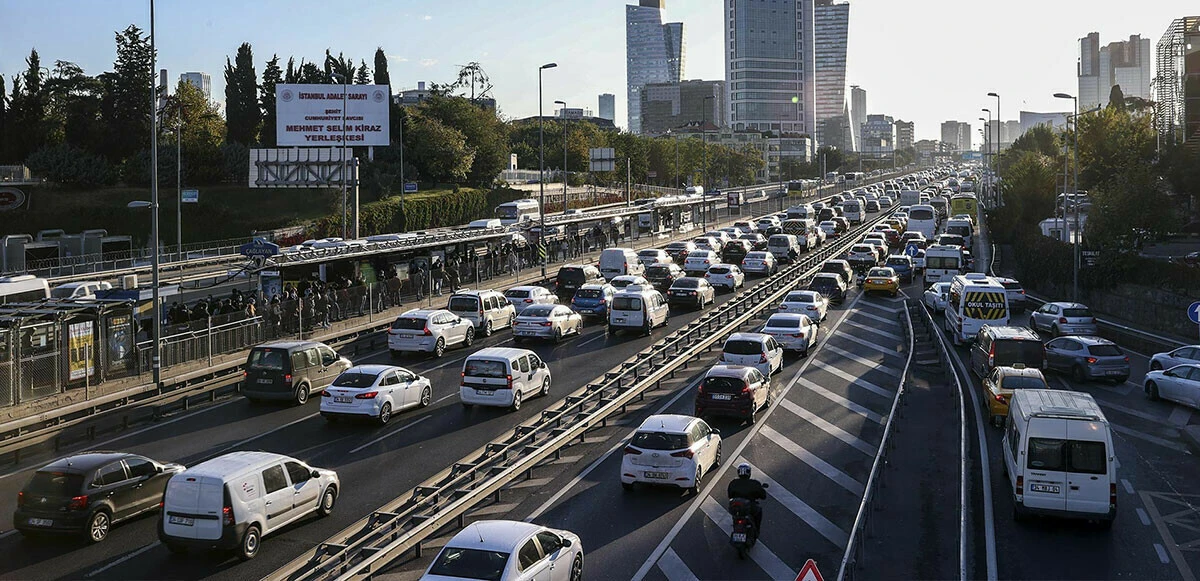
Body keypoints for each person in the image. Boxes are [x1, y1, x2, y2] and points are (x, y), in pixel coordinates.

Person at [726, 463, 766, 533]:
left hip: (736, 508)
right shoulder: (754, 483)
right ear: (749, 472)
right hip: (750, 508)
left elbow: (730, 495)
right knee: (759, 512)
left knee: (735, 516)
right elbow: (763, 496)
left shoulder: (733, 483)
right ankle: (756, 530)